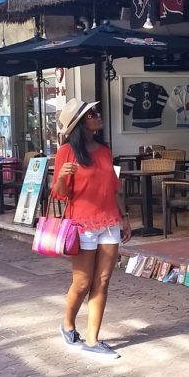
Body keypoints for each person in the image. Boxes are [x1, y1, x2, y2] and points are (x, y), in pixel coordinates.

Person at [51, 98, 132, 359]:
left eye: (96, 112)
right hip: (82, 223)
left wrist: (125, 217)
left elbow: (114, 186)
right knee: (83, 281)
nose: (98, 116)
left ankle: (92, 339)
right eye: (92, 114)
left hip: (109, 220)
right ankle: (67, 324)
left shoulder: (104, 149)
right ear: (79, 123)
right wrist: (62, 175)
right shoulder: (67, 152)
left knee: (104, 280)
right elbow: (60, 194)